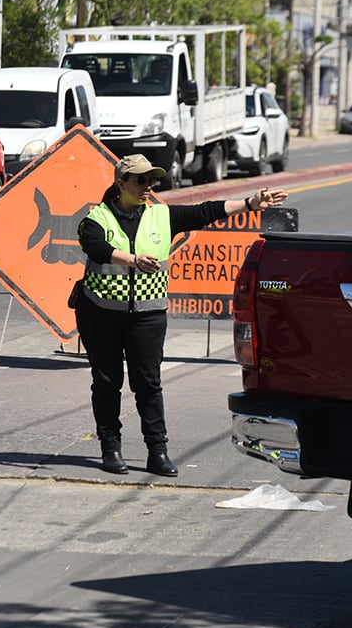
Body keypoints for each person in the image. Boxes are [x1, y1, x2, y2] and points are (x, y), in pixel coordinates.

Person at [75, 154, 288, 477]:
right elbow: (95, 247)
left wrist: (250, 202)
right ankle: (110, 448)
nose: (148, 186)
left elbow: (206, 212)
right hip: (100, 314)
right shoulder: (97, 217)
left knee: (148, 384)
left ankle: (157, 451)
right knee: (107, 383)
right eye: (140, 180)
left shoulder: (161, 216)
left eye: (152, 180)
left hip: (147, 317)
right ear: (121, 183)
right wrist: (131, 259)